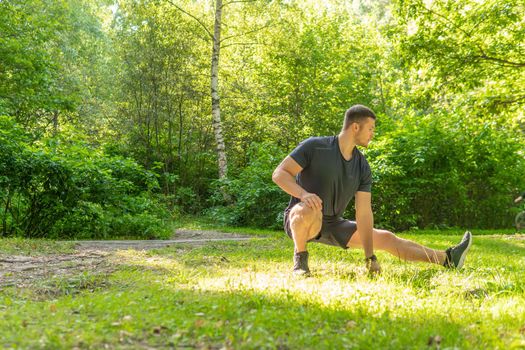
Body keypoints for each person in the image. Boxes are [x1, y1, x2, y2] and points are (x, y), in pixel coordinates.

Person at [272, 104, 473, 275]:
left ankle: (448, 258)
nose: (373, 134)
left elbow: (364, 213)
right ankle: (300, 260)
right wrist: (303, 194)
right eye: (371, 129)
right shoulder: (315, 147)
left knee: (386, 238)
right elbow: (280, 173)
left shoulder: (362, 166)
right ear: (356, 127)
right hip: (302, 218)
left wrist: (370, 256)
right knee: (306, 208)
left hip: (333, 223)